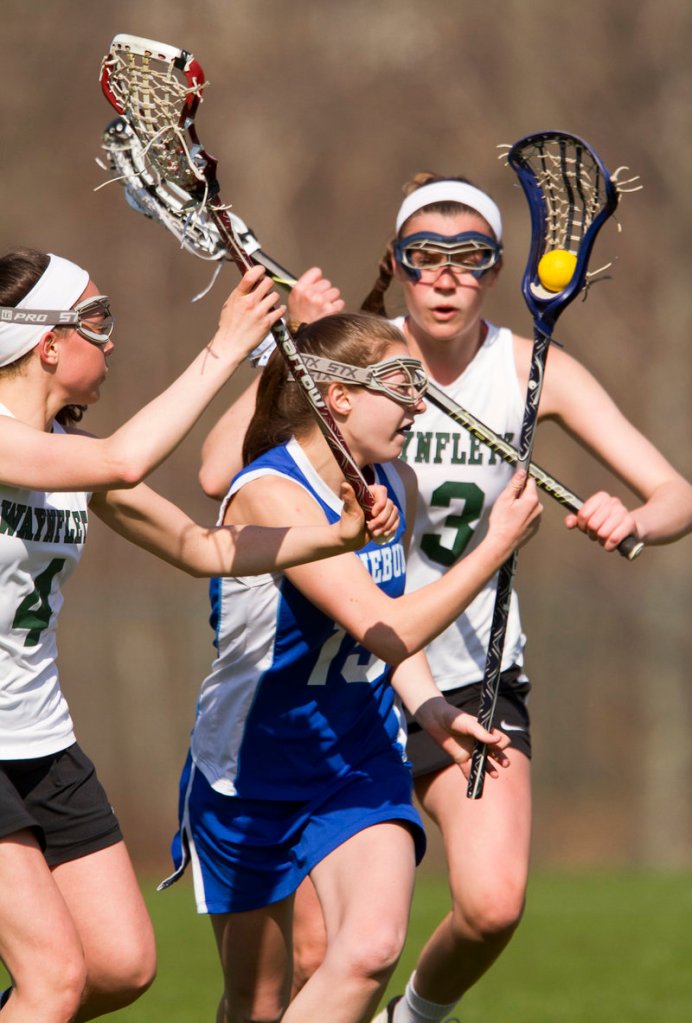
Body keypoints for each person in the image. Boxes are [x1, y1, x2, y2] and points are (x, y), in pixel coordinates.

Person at [198, 173, 692, 1023]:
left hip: (465, 675)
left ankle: (411, 1019)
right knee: (317, 957)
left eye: (471, 258)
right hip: (350, 674)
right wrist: (295, 345)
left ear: (496, 270)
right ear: (398, 262)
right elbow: (220, 475)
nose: (446, 275)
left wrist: (635, 519)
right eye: (425, 257)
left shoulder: (530, 369)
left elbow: (673, 492)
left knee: (492, 903)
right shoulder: (354, 358)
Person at [0, 248, 397, 1023]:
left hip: (40, 739)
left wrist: (335, 534)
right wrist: (228, 346)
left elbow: (201, 547)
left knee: (120, 965)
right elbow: (126, 456)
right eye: (96, 320)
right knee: (52, 980)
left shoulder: (72, 460)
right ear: (47, 342)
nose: (109, 339)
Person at [163, 312, 542, 1023]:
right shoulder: (268, 493)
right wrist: (492, 548)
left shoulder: (395, 480)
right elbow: (392, 621)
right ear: (339, 396)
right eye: (403, 385)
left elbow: (384, 631)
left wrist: (428, 705)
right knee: (260, 999)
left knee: (367, 950)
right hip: (251, 769)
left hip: (359, 758)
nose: (420, 406)